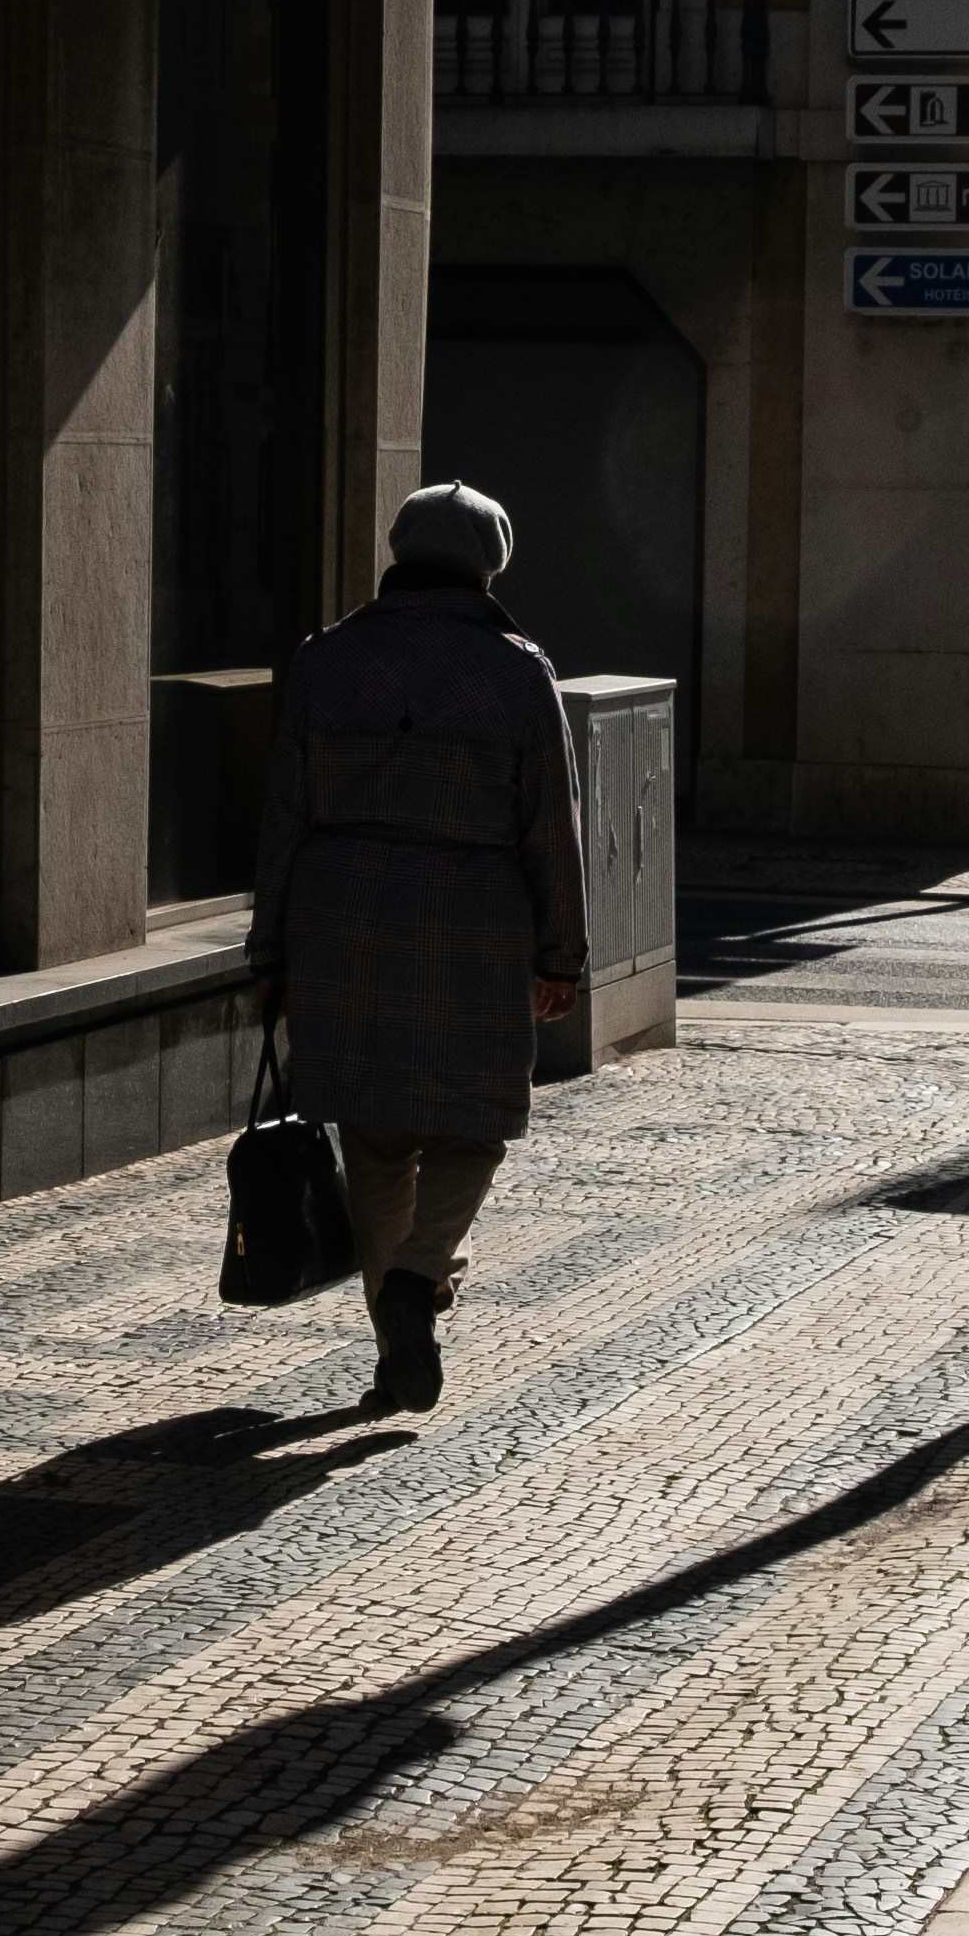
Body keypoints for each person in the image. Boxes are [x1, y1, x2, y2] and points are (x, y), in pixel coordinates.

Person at [245, 481, 588, 1416]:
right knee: (471, 1125)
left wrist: (268, 946)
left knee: (376, 1134)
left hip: (340, 919)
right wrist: (561, 953)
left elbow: (284, 814)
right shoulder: (517, 670)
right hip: (474, 917)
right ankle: (417, 1280)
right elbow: (550, 824)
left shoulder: (324, 660)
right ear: (490, 565)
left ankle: (393, 1340)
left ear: (398, 551)